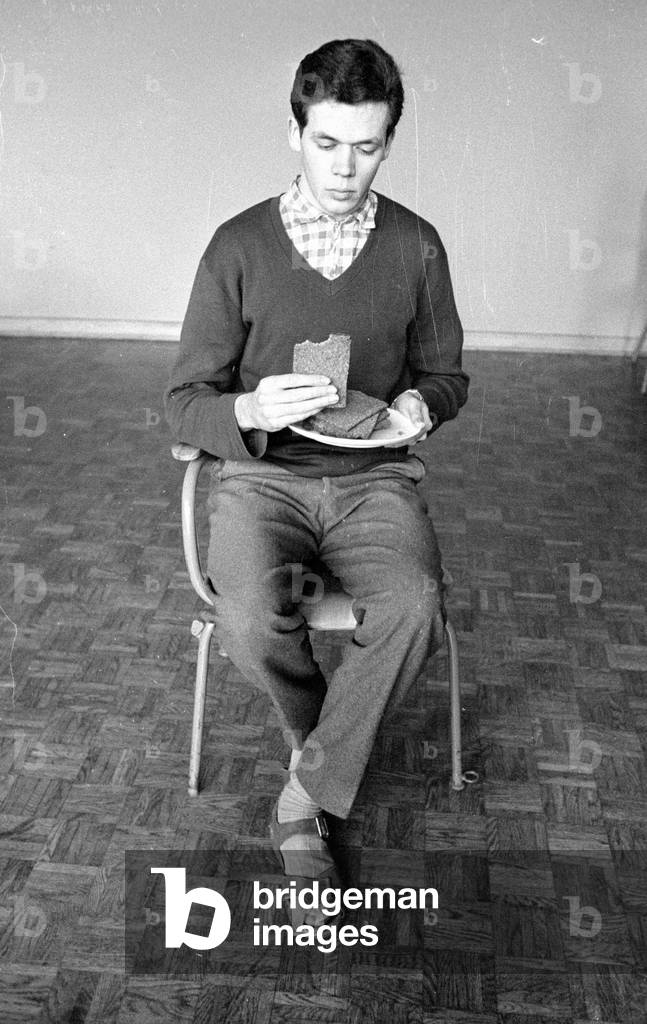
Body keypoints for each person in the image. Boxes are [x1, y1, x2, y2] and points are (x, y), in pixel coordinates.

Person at [164, 38, 468, 925]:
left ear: (389, 141)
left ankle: (304, 792)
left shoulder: (416, 245)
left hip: (374, 482)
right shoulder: (238, 246)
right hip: (263, 482)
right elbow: (183, 403)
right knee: (252, 617)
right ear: (295, 131)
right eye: (327, 142)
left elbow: (449, 377)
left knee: (413, 604)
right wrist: (250, 409)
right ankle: (326, 751)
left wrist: (421, 405)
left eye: (367, 146)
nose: (346, 167)